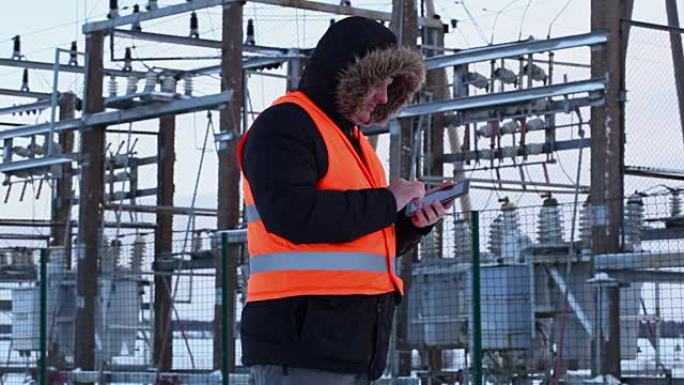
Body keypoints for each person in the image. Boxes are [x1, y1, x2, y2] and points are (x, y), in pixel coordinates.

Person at [237, 16, 452, 385]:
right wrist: (388, 201)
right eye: (380, 84)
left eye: (391, 87)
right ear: (349, 76)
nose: (385, 97)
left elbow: (354, 237)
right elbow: (292, 217)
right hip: (302, 347)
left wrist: (409, 224)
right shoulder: (286, 124)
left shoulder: (352, 141)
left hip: (347, 349)